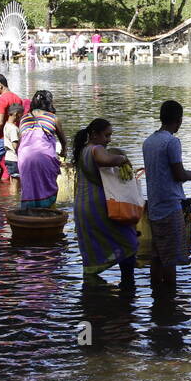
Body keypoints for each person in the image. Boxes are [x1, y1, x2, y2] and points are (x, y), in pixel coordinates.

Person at [142, 100, 191, 293]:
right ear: (179, 120)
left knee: (157, 253)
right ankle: (170, 296)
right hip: (170, 206)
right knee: (170, 258)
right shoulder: (172, 142)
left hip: (154, 206)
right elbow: (179, 174)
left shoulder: (148, 142)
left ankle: (157, 296)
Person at [72, 118, 139, 281]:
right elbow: (105, 160)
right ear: (94, 134)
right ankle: (127, 287)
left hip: (83, 207)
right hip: (97, 209)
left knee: (94, 247)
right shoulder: (96, 148)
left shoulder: (83, 150)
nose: (108, 140)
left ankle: (92, 290)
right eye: (106, 135)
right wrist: (122, 159)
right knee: (129, 243)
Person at [18, 90, 66, 208]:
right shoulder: (53, 118)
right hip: (44, 156)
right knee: (48, 185)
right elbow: (63, 140)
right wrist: (64, 151)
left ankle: (29, 215)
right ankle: (48, 214)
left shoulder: (24, 119)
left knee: (28, 186)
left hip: (24, 157)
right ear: (49, 102)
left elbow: (21, 140)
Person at [2, 101, 23, 184]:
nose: (21, 117)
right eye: (21, 114)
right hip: (14, 158)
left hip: (9, 157)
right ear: (16, 113)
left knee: (13, 181)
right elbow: (15, 145)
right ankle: (15, 197)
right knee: (16, 183)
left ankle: (13, 196)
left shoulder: (7, 125)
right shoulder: (13, 128)